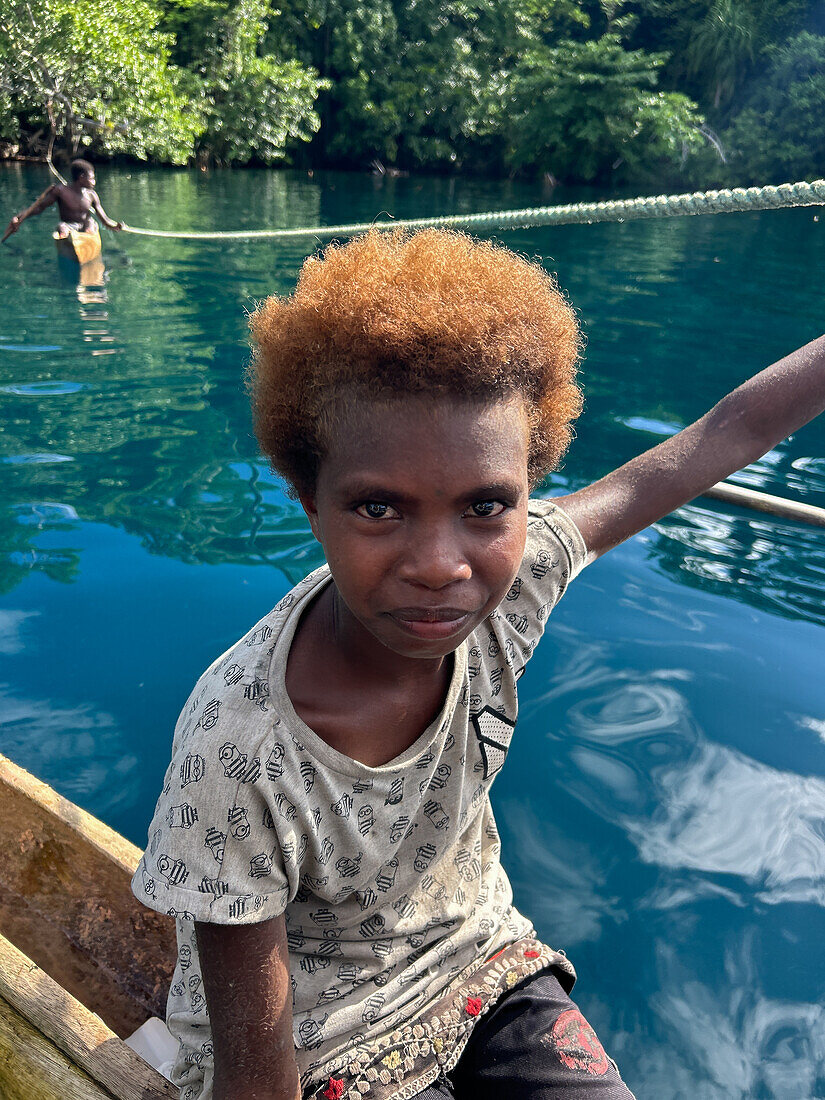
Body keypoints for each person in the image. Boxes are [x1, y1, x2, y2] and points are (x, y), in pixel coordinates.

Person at [131, 229, 825, 1100]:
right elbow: (256, 1075)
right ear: (310, 500)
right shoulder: (236, 752)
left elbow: (731, 429)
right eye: (378, 507)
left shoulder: (522, 574)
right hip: (316, 1034)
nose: (440, 565)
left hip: (475, 958)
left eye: (486, 506)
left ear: (527, 491)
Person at [2, 157, 122, 243]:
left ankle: (88, 238)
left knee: (91, 222)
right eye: (92, 178)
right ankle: (67, 240)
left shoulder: (92, 195)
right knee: (61, 226)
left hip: (86, 227)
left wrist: (114, 226)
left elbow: (104, 219)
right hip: (70, 227)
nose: (94, 182)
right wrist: (20, 217)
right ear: (81, 177)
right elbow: (40, 207)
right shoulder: (61, 191)